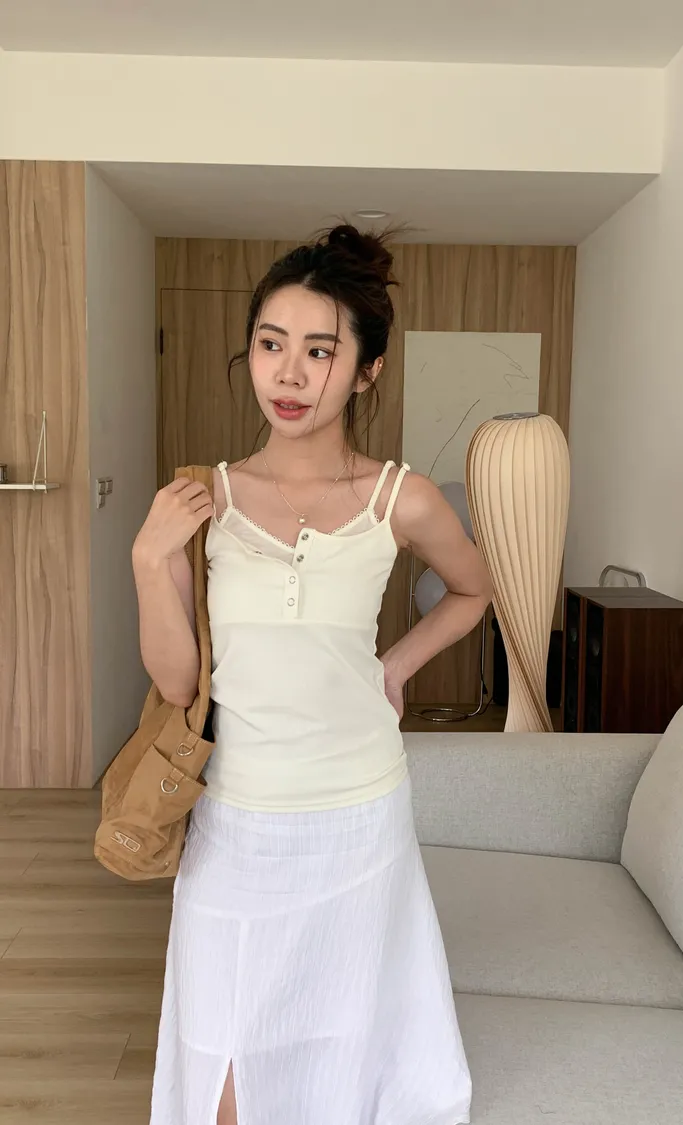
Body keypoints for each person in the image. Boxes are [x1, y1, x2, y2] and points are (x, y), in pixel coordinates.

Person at [133, 225, 492, 1125]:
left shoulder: (400, 497)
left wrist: (396, 664)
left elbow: (474, 589)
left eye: (320, 351)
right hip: (235, 818)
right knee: (223, 1070)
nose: (289, 374)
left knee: (342, 1041)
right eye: (271, 343)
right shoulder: (203, 499)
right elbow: (178, 684)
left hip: (359, 817)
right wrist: (147, 561)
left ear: (367, 371)